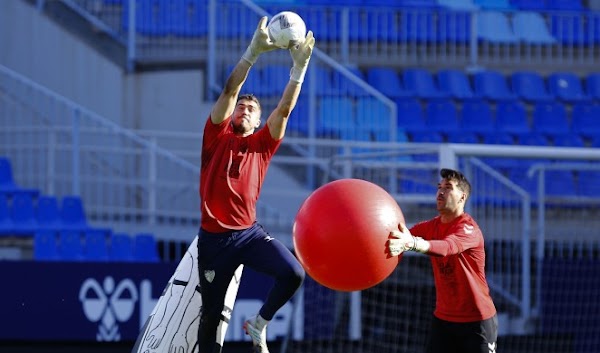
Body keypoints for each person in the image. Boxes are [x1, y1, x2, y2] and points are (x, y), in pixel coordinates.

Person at [197, 16, 315, 353]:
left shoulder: (263, 144)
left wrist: (299, 70)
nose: (245, 109)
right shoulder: (215, 136)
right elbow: (230, 90)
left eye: (252, 109)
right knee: (211, 317)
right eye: (242, 107)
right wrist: (252, 52)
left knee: (294, 274)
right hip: (213, 241)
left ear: (259, 119)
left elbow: (285, 110)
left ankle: (259, 325)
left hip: (248, 234)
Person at [387, 168, 498, 353]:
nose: (440, 191)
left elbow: (447, 248)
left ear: (462, 197)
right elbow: (399, 236)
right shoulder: (431, 226)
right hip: (444, 319)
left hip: (477, 321)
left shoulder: (469, 229)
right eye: (439, 187)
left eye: (448, 188)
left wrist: (412, 243)